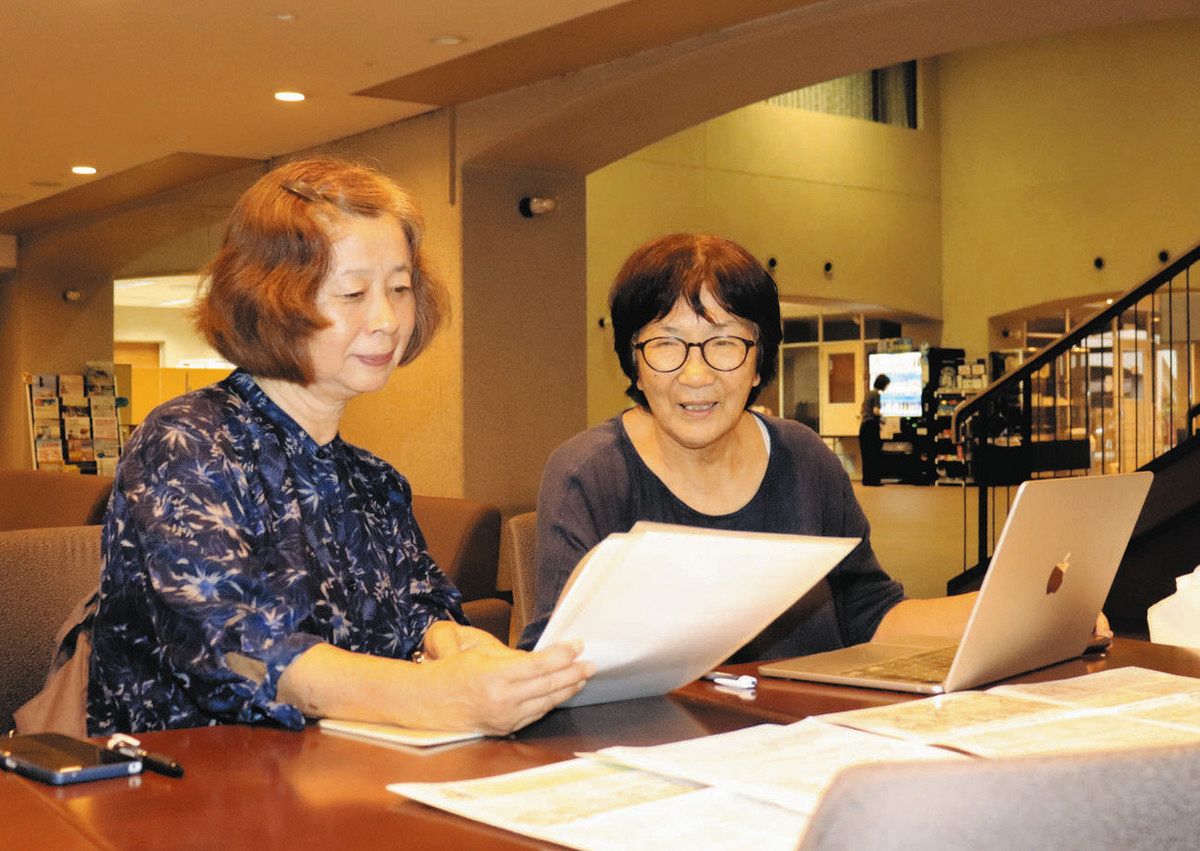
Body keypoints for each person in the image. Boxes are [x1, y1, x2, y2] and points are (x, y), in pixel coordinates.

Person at [88, 157, 592, 736]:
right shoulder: (187, 442)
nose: (386, 319)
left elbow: (421, 613)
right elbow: (236, 652)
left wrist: (459, 648)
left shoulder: (372, 480)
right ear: (270, 298)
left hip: (338, 781)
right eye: (352, 293)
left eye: (400, 288)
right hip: (187, 790)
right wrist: (432, 694)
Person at [518, 233, 980, 657]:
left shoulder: (804, 459)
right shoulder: (591, 473)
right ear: (633, 362)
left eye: (724, 343)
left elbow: (870, 614)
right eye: (665, 343)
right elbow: (553, 662)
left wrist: (1004, 605)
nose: (696, 375)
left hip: (805, 734)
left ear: (759, 362)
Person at [858, 373, 890, 486]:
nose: (887, 387)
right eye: (887, 385)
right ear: (883, 384)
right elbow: (876, 411)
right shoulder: (876, 394)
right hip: (871, 426)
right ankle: (874, 480)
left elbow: (863, 410)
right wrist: (883, 419)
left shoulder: (868, 394)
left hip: (864, 426)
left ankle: (867, 479)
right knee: (874, 454)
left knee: (866, 454)